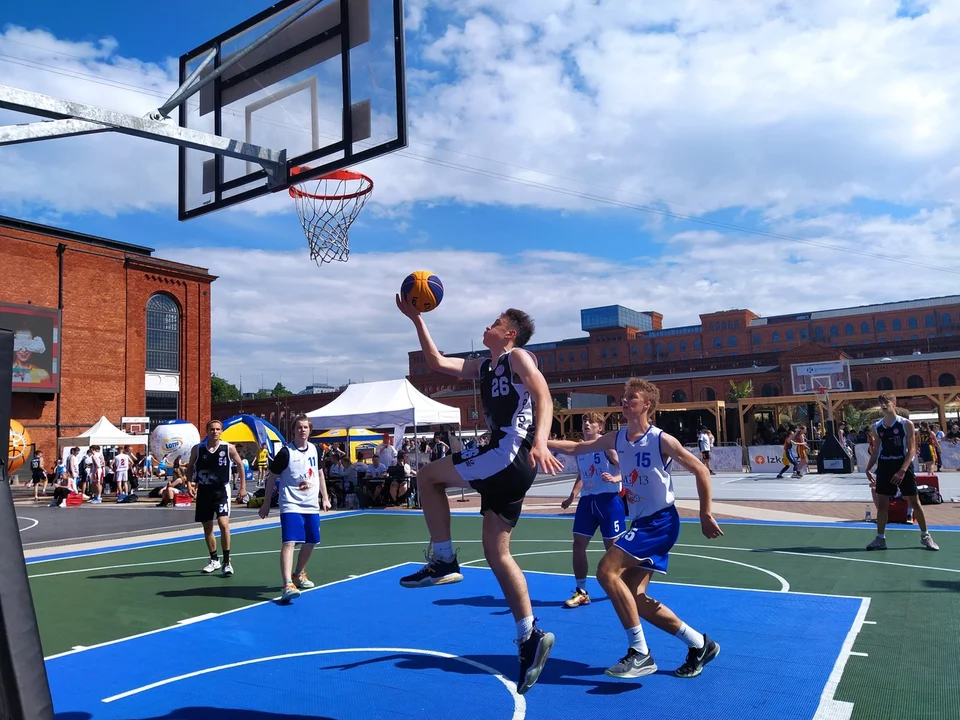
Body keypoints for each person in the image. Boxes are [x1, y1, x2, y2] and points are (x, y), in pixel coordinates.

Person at [395, 294, 564, 695]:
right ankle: (529, 636)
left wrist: (541, 441)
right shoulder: (484, 365)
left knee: (427, 477)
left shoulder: (517, 357)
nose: (487, 325)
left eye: (495, 322)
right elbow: (437, 362)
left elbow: (543, 395)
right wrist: (417, 319)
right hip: (510, 464)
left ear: (510, 333)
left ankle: (443, 559)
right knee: (497, 553)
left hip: (508, 453)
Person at [548, 378, 723, 680]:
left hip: (660, 522)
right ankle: (699, 644)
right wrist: (540, 442)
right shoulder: (617, 438)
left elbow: (701, 470)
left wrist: (705, 513)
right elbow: (578, 447)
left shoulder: (660, 440)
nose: (625, 401)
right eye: (624, 396)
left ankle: (640, 652)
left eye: (632, 397)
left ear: (647, 405)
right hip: (643, 522)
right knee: (634, 596)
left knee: (606, 571)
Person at [259, 415, 331, 602]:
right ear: (293, 430)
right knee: (289, 542)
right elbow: (272, 478)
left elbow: (320, 474)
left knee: (311, 541)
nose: (302, 430)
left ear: (310, 430)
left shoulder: (315, 450)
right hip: (291, 503)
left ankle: (298, 574)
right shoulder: (285, 453)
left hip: (311, 504)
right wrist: (266, 503)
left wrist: (325, 497)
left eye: (305, 427)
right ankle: (287, 584)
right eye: (299, 427)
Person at [559, 412, 624, 608]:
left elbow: (626, 468)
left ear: (599, 427)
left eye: (591, 422)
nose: (586, 424)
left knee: (612, 549)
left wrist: (615, 478)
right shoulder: (580, 449)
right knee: (578, 545)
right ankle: (581, 592)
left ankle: (621, 585)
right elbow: (582, 475)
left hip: (608, 501)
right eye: (584, 421)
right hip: (587, 502)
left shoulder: (607, 447)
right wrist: (572, 495)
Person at [864, 394, 939, 551]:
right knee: (882, 505)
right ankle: (880, 538)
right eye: (881, 402)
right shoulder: (877, 426)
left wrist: (902, 470)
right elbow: (876, 450)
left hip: (903, 464)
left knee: (914, 502)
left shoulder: (906, 424)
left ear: (894, 403)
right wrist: (868, 468)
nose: (883, 405)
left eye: (886, 402)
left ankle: (925, 536)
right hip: (885, 465)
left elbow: (911, 450)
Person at [185, 419, 246, 575]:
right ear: (207, 431)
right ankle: (214, 559)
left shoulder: (228, 448)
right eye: (212, 429)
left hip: (221, 490)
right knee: (207, 526)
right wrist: (189, 484)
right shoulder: (198, 449)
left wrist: (242, 487)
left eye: (218, 429)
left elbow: (240, 465)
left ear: (222, 431)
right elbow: (190, 466)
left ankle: (227, 561)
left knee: (223, 523)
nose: (215, 432)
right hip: (204, 490)